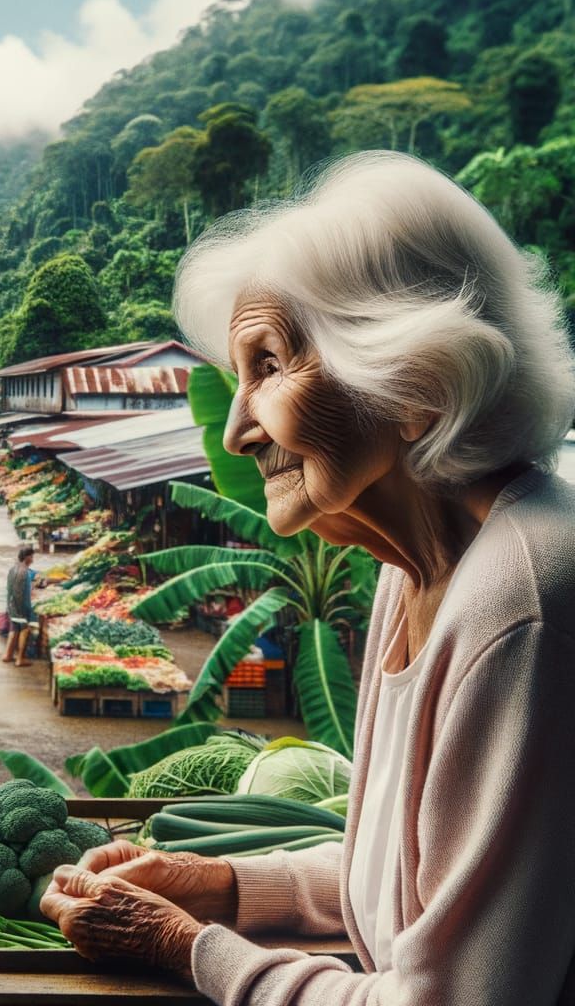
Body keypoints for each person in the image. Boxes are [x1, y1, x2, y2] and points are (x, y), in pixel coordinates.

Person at [40, 152, 575, 1005]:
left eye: (267, 366)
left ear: (417, 383)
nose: (235, 432)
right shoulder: (417, 567)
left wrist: (188, 948)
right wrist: (218, 885)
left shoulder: (523, 604)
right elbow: (415, 883)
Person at [2, 545, 36, 667]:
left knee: (14, 629)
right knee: (24, 629)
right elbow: (24, 594)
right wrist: (28, 611)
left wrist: (9, 606)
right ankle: (20, 658)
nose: (32, 559)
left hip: (11, 604)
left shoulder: (13, 569)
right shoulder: (25, 572)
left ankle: (8, 655)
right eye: (32, 556)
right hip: (21, 606)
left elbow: (9, 589)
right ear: (27, 557)